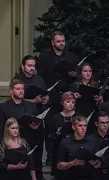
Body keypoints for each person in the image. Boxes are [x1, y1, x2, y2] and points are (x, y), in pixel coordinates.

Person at [36, 31, 80, 165]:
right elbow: (41, 77)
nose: (61, 44)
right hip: (52, 96)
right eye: (58, 41)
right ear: (52, 42)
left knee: (68, 125)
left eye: (63, 41)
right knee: (50, 126)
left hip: (67, 95)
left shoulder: (72, 57)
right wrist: (44, 95)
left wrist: (74, 75)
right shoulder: (44, 57)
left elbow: (78, 77)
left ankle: (68, 153)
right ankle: (50, 154)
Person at [0, 78, 45, 180]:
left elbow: (37, 123)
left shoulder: (31, 106)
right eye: (18, 89)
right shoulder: (3, 107)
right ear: (11, 91)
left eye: (22, 89)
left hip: (27, 144)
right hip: (10, 147)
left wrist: (36, 126)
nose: (21, 91)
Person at [56, 116, 100, 180]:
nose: (83, 128)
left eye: (85, 126)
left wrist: (96, 164)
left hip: (89, 177)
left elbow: (98, 163)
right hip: (71, 177)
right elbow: (59, 166)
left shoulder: (92, 141)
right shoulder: (65, 142)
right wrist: (72, 163)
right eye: (80, 126)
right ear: (73, 127)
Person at [51, 92, 77, 176]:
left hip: (74, 147)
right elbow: (51, 135)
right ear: (62, 102)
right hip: (60, 147)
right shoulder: (56, 117)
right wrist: (57, 133)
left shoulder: (78, 117)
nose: (71, 104)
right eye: (68, 101)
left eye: (73, 102)